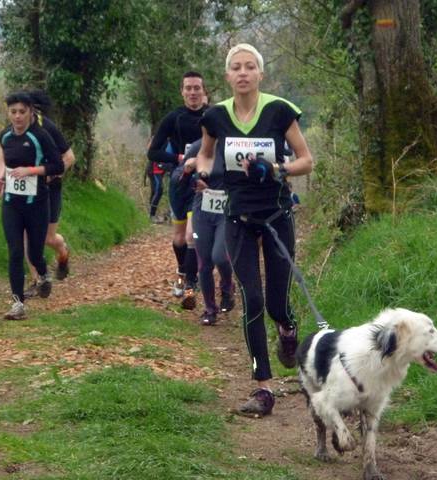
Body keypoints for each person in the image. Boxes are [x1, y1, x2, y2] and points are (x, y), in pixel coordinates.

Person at [196, 44, 314, 416]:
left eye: (250, 67)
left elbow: (306, 161)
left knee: (277, 303)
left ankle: (288, 330)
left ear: (260, 74)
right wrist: (202, 171)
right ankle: (263, 388)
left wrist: (278, 169)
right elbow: (206, 153)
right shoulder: (215, 116)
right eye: (236, 67)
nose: (243, 73)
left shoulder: (279, 111)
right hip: (238, 219)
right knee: (253, 299)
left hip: (277, 215)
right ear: (227, 76)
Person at [0, 92, 65, 320]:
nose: (17, 116)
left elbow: (57, 166)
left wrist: (31, 171)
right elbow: (5, 161)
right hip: (11, 204)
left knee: (34, 254)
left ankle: (43, 275)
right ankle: (18, 305)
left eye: (22, 112)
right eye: (13, 112)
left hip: (37, 204)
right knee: (15, 252)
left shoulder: (40, 136)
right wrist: (1, 177)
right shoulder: (5, 136)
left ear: (30, 112)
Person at [147, 71, 208, 305]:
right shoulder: (174, 118)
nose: (193, 92)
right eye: (188, 88)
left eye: (197, 88)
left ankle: (192, 283)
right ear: (182, 92)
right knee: (180, 237)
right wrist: (180, 157)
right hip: (179, 181)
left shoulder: (213, 116)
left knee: (194, 233)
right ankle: (182, 271)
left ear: (204, 91)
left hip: (204, 182)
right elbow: (153, 152)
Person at [23, 90, 75, 298]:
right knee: (27, 235)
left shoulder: (48, 127)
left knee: (47, 238)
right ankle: (37, 281)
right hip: (27, 189)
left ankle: (62, 250)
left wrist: (50, 175)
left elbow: (69, 157)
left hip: (50, 188)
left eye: (25, 109)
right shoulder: (16, 130)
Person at [181, 139, 235, 325]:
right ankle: (210, 309)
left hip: (226, 213)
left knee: (220, 256)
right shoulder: (198, 147)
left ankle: (227, 287)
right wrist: (189, 173)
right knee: (204, 263)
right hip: (202, 212)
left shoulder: (234, 145)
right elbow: (180, 180)